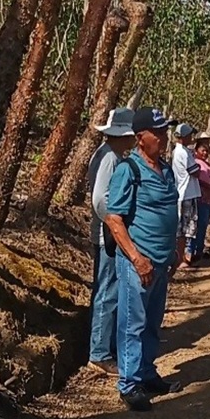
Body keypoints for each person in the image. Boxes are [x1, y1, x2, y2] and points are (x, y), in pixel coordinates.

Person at [104, 107, 185, 411]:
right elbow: (114, 220)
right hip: (138, 263)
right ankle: (129, 384)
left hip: (162, 262)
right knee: (132, 323)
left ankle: (147, 373)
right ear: (141, 138)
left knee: (152, 321)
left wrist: (178, 246)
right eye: (159, 132)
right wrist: (137, 258)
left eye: (166, 131)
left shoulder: (164, 169)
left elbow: (171, 210)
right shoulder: (129, 170)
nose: (164, 137)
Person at [86, 107, 135, 376]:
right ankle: (100, 353)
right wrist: (115, 226)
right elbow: (100, 199)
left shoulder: (106, 154)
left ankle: (102, 346)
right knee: (108, 292)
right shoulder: (110, 159)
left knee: (105, 290)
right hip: (108, 235)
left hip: (105, 232)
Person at [171, 123, 201, 269]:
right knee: (182, 229)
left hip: (188, 193)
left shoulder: (183, 151)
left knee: (187, 228)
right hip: (185, 194)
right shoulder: (181, 152)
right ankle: (179, 258)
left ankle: (182, 257)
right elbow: (195, 170)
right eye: (189, 135)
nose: (191, 137)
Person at [191, 140, 210, 263]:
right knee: (200, 225)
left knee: (203, 226)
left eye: (207, 151)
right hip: (201, 199)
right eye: (202, 150)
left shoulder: (206, 164)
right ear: (196, 151)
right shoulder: (197, 163)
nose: (205, 153)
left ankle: (199, 249)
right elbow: (203, 181)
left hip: (208, 200)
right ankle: (195, 251)